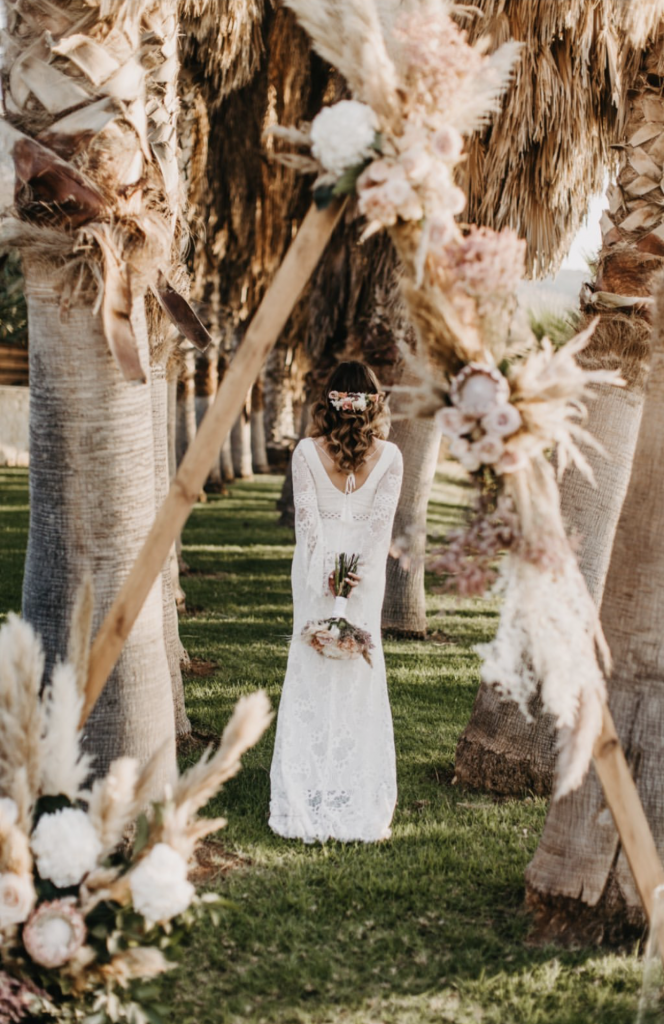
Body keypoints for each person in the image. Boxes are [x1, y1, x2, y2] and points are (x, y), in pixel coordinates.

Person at [269, 360, 404, 843]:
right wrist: (352, 578)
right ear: (374, 402)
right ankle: (343, 782)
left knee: (313, 666)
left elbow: (308, 524)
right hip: (363, 580)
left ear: (330, 400)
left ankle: (311, 780)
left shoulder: (307, 451)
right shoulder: (391, 457)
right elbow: (378, 531)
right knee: (355, 669)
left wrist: (328, 574)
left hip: (314, 575)